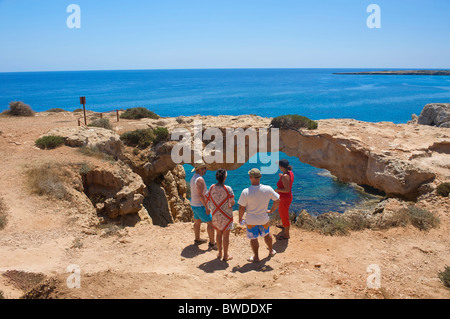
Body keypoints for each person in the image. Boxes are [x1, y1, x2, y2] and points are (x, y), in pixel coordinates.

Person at [238, 168, 280, 262]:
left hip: (251, 220)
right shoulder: (268, 189)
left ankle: (256, 257)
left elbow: (241, 208)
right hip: (263, 218)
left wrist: (240, 218)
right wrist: (272, 210)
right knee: (267, 234)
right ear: (260, 177)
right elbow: (277, 200)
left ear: (250, 177)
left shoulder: (245, 191)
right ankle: (270, 251)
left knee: (253, 238)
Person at [205, 169, 235, 261]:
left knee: (218, 234)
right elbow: (232, 202)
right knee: (226, 236)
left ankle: (219, 253)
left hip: (216, 214)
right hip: (226, 215)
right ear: (225, 177)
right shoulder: (228, 189)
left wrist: (209, 207)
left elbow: (207, 197)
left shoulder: (212, 187)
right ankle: (225, 255)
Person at [190, 160, 216, 250]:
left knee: (197, 222)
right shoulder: (200, 179)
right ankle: (212, 243)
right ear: (201, 169)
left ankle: (197, 239)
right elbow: (201, 194)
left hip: (194, 204)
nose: (206, 170)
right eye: (205, 168)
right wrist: (206, 207)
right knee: (211, 223)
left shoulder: (193, 177)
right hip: (200, 205)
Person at [275, 159, 294, 240]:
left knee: (284, 215)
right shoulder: (289, 172)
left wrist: (277, 190)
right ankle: (283, 225)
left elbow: (287, 190)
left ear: (281, 167)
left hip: (285, 198)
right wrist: (281, 177)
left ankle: (286, 234)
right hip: (285, 198)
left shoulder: (285, 176)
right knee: (282, 212)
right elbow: (287, 181)